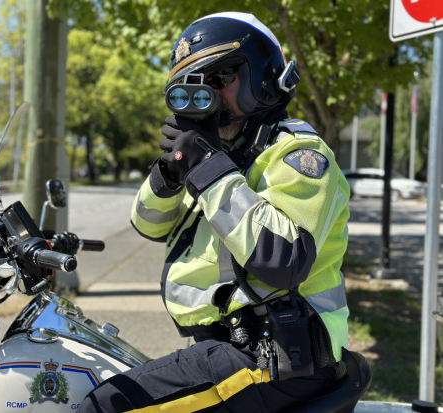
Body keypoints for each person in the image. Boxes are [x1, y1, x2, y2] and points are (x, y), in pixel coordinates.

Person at [80, 12, 351, 413]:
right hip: (231, 346)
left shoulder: (297, 154)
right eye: (193, 86)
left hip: (280, 355)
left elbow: (283, 260)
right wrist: (171, 172)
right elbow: (148, 224)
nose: (207, 95)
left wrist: (207, 168)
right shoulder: (222, 158)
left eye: (222, 77)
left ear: (262, 75)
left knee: (104, 405)